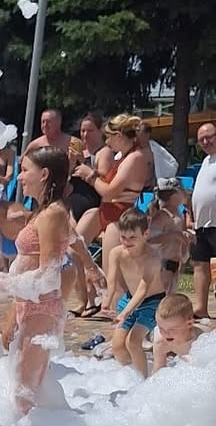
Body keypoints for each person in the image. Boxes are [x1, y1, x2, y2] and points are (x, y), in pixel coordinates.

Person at [0, 147, 72, 416]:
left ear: (44, 174)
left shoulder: (53, 215)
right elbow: (75, 242)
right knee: (23, 389)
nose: (20, 176)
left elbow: (49, 276)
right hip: (30, 306)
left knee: (25, 397)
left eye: (25, 170)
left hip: (42, 309)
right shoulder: (43, 213)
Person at [104, 208, 166, 378]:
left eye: (132, 237)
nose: (127, 242)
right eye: (123, 237)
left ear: (145, 234)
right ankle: (134, 373)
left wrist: (124, 313)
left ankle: (143, 381)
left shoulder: (152, 257)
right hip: (129, 298)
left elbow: (143, 290)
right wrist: (107, 300)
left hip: (152, 302)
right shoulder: (116, 253)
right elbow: (111, 279)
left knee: (133, 342)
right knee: (117, 347)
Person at [73, 114, 149, 249]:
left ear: (118, 136)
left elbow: (110, 192)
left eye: (108, 137)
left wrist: (90, 176)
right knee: (73, 249)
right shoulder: (124, 157)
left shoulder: (135, 158)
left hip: (119, 218)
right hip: (106, 211)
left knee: (110, 262)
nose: (107, 142)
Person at [146, 177, 190, 295]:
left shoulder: (177, 214)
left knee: (169, 295)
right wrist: (173, 235)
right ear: (174, 195)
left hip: (174, 263)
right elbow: (149, 241)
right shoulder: (162, 216)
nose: (185, 194)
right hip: (163, 264)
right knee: (162, 296)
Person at [190, 122, 216, 319]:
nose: (206, 142)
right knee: (200, 264)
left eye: (210, 137)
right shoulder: (206, 161)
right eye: (201, 139)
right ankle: (200, 308)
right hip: (201, 224)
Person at [152, 293, 212, 373]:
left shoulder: (201, 339)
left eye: (172, 329)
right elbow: (158, 370)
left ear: (189, 324)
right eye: (161, 328)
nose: (166, 333)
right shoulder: (161, 342)